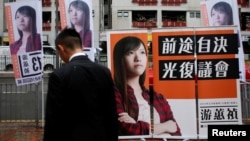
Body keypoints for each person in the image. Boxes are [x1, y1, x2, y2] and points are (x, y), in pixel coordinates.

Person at [43, 28, 118, 141]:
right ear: (81, 46)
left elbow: (53, 119)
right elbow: (111, 113)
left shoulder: (59, 75)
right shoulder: (104, 72)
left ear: (61, 48)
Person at [113, 36, 181, 136]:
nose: (138, 58)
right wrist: (164, 127)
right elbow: (127, 129)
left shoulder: (158, 98)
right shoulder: (114, 92)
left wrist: (138, 126)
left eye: (142, 52)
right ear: (120, 58)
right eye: (131, 53)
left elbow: (176, 132)